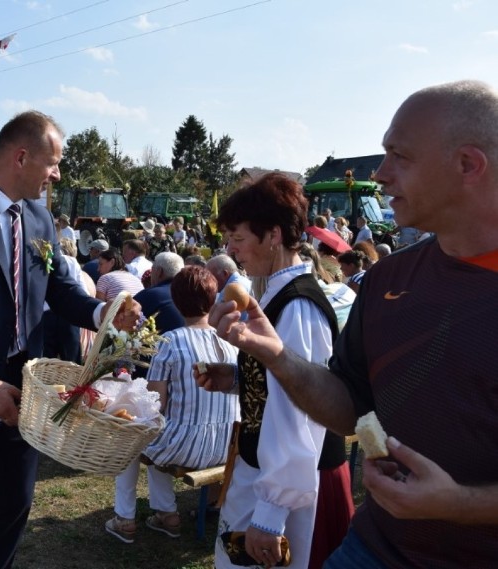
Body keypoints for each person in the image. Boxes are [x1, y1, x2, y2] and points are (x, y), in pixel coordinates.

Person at [201, 80, 498, 568]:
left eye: (399, 156)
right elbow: (349, 405)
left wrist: (457, 504)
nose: (379, 174)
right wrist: (274, 354)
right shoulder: (386, 280)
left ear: (468, 164)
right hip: (375, 547)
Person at [0, 110, 141, 569]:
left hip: (29, 386)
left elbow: (58, 289)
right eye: (53, 163)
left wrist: (103, 313)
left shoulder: (39, 218)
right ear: (21, 157)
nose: (57, 174)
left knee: (14, 507)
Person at [198, 172, 343, 569]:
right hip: (269, 471)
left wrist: (271, 515)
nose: (232, 250)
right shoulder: (274, 294)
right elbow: (281, 386)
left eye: (238, 239)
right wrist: (237, 379)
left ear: (274, 235)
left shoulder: (298, 306)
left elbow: (303, 412)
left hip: (294, 484)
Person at [106, 266, 240, 543]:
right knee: (159, 434)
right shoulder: (231, 343)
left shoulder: (170, 342)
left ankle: (125, 518)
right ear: (213, 300)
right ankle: (166, 514)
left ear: (176, 301)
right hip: (226, 446)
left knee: (131, 433)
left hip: (186, 446)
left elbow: (154, 406)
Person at [132, 252, 185, 333]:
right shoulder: (191, 293)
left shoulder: (149, 295)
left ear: (159, 272)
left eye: (152, 269)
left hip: (161, 343)